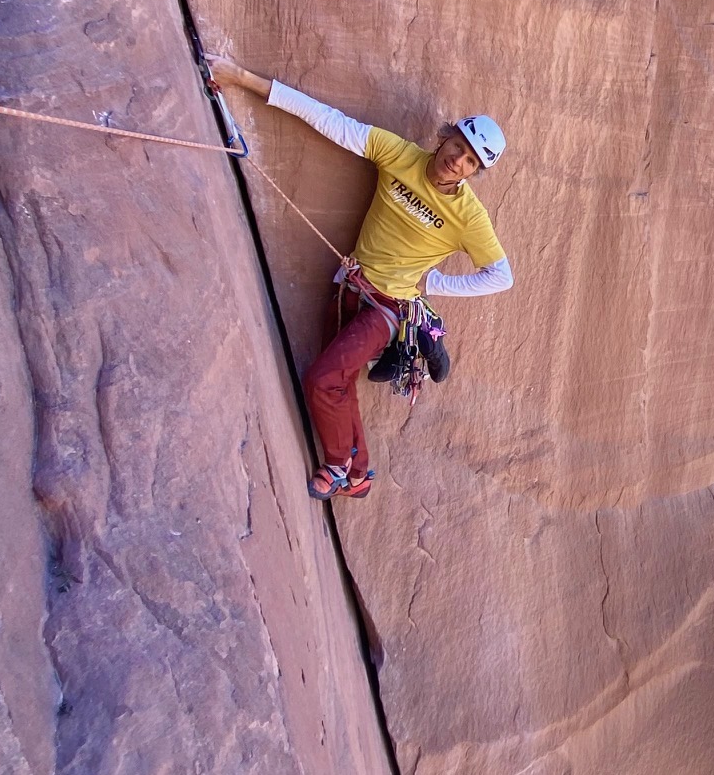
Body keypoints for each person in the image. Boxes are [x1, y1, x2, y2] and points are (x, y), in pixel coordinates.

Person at [207, 57, 511, 499]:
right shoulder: (400, 154)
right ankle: (358, 475)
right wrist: (241, 79)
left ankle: (335, 466)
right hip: (349, 286)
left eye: (470, 161)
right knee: (340, 380)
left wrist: (434, 285)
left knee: (322, 379)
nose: (457, 161)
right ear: (447, 135)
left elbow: (501, 276)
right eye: (458, 146)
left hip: (389, 308)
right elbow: (329, 120)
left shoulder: (468, 217)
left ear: (475, 172)